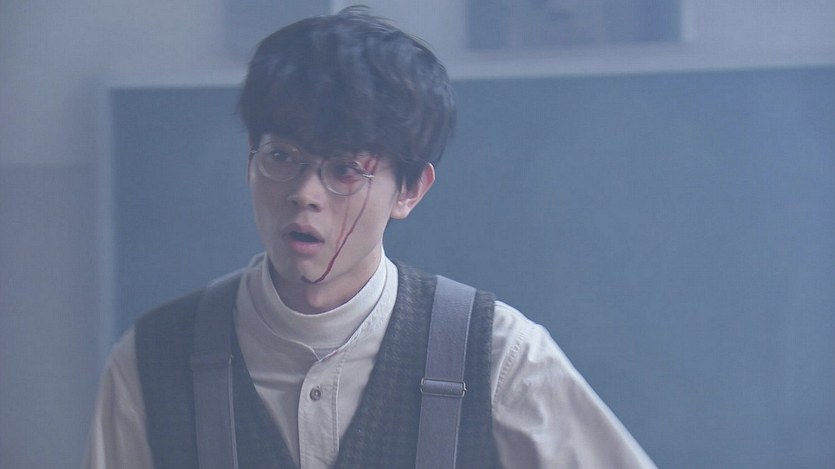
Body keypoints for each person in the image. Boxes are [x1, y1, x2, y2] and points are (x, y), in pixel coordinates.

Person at [84, 6, 656, 469]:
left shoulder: (498, 356)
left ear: (409, 190)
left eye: (344, 170)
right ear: (249, 162)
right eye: (281, 157)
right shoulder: (151, 360)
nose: (304, 193)